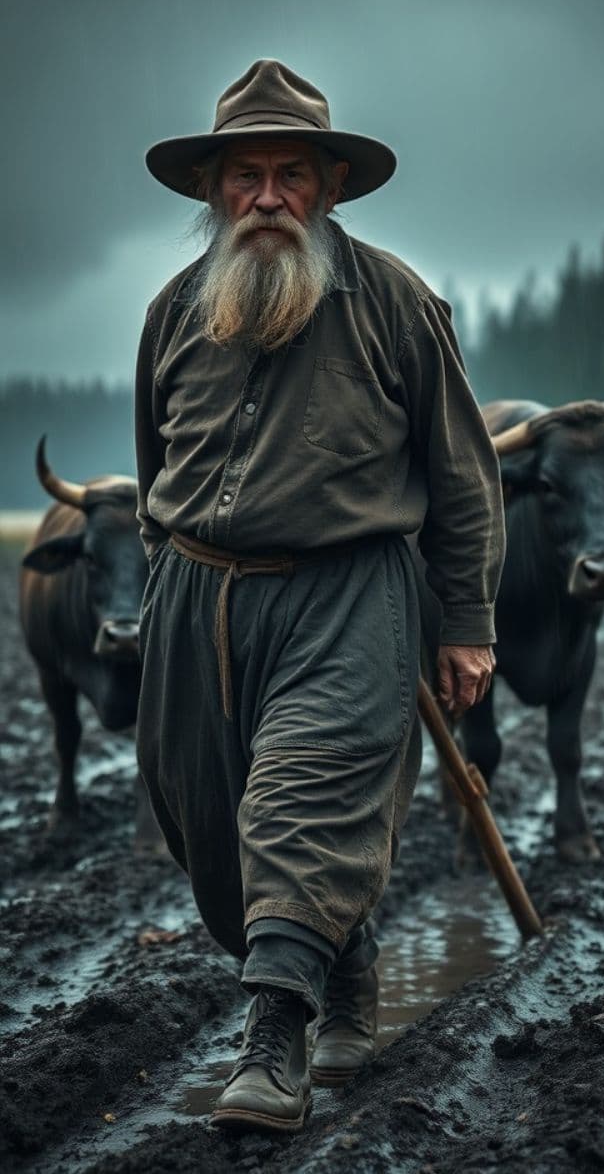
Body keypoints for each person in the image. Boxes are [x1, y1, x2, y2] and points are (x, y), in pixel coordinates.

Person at [135, 58, 505, 1134]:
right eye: (244, 174)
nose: (265, 196)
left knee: (301, 804)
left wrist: (468, 620)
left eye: (289, 172)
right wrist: (164, 583)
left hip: (350, 597)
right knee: (209, 826)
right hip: (197, 601)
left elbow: (463, 475)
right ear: (213, 191)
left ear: (329, 187)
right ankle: (346, 965)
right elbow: (155, 462)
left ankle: (273, 1041)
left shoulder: (394, 300)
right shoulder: (172, 313)